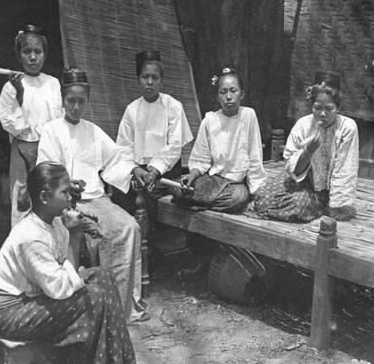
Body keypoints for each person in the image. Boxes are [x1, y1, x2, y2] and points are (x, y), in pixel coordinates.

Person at [0, 162, 136, 364]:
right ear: (45, 196)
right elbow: (62, 288)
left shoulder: (54, 222)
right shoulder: (30, 237)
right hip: (12, 312)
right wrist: (75, 235)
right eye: (65, 192)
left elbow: (63, 271)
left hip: (35, 296)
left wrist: (81, 228)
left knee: (104, 276)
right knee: (93, 295)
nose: (71, 198)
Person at [37, 67, 149, 323]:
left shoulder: (92, 130)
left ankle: (120, 306)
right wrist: (65, 185)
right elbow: (45, 172)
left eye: (81, 101)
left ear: (87, 101)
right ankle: (96, 306)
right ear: (62, 100)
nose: (76, 107)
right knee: (91, 230)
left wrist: (134, 169)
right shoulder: (52, 131)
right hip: (64, 202)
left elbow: (114, 159)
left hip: (96, 198)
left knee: (128, 227)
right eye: (71, 101)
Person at [254, 71, 359, 222]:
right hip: (300, 180)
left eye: (329, 108)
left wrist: (336, 205)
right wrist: (307, 152)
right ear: (311, 106)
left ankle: (317, 206)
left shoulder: (347, 127)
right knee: (263, 197)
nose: (323, 113)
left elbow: (345, 169)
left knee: (298, 205)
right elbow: (292, 169)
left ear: (338, 108)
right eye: (317, 108)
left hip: (327, 190)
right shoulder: (303, 125)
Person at [0, 24, 63, 227]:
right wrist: (20, 94)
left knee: (50, 198)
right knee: (23, 200)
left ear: (45, 54)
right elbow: (10, 124)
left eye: (38, 52)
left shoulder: (52, 83)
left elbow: (59, 118)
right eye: (27, 52)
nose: (33, 57)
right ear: (19, 55)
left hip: (48, 150)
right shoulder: (11, 86)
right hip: (23, 151)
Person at [177, 67, 267, 213]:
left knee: (238, 198)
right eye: (223, 92)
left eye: (233, 91)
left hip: (235, 183)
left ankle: (198, 203)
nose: (228, 96)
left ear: (242, 94)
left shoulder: (248, 115)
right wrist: (192, 175)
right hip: (213, 180)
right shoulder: (209, 120)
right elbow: (201, 159)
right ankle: (201, 201)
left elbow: (255, 156)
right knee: (178, 189)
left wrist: (255, 192)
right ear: (217, 97)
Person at [116, 50, 193, 192]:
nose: (150, 82)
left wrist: (155, 171)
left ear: (161, 80)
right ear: (138, 79)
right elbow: (124, 147)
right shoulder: (131, 110)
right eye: (145, 77)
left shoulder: (173, 106)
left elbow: (175, 146)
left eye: (155, 77)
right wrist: (136, 169)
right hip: (139, 171)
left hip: (166, 170)